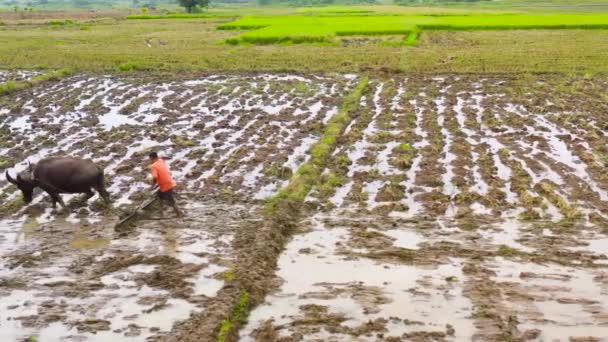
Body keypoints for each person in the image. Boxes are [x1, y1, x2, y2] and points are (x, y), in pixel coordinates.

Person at [149, 151, 182, 217]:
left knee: (170, 200)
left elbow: (155, 177)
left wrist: (153, 185)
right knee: (159, 196)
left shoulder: (153, 166)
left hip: (165, 185)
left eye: (150, 158)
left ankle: (179, 214)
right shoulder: (161, 161)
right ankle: (161, 213)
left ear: (151, 158)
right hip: (169, 181)